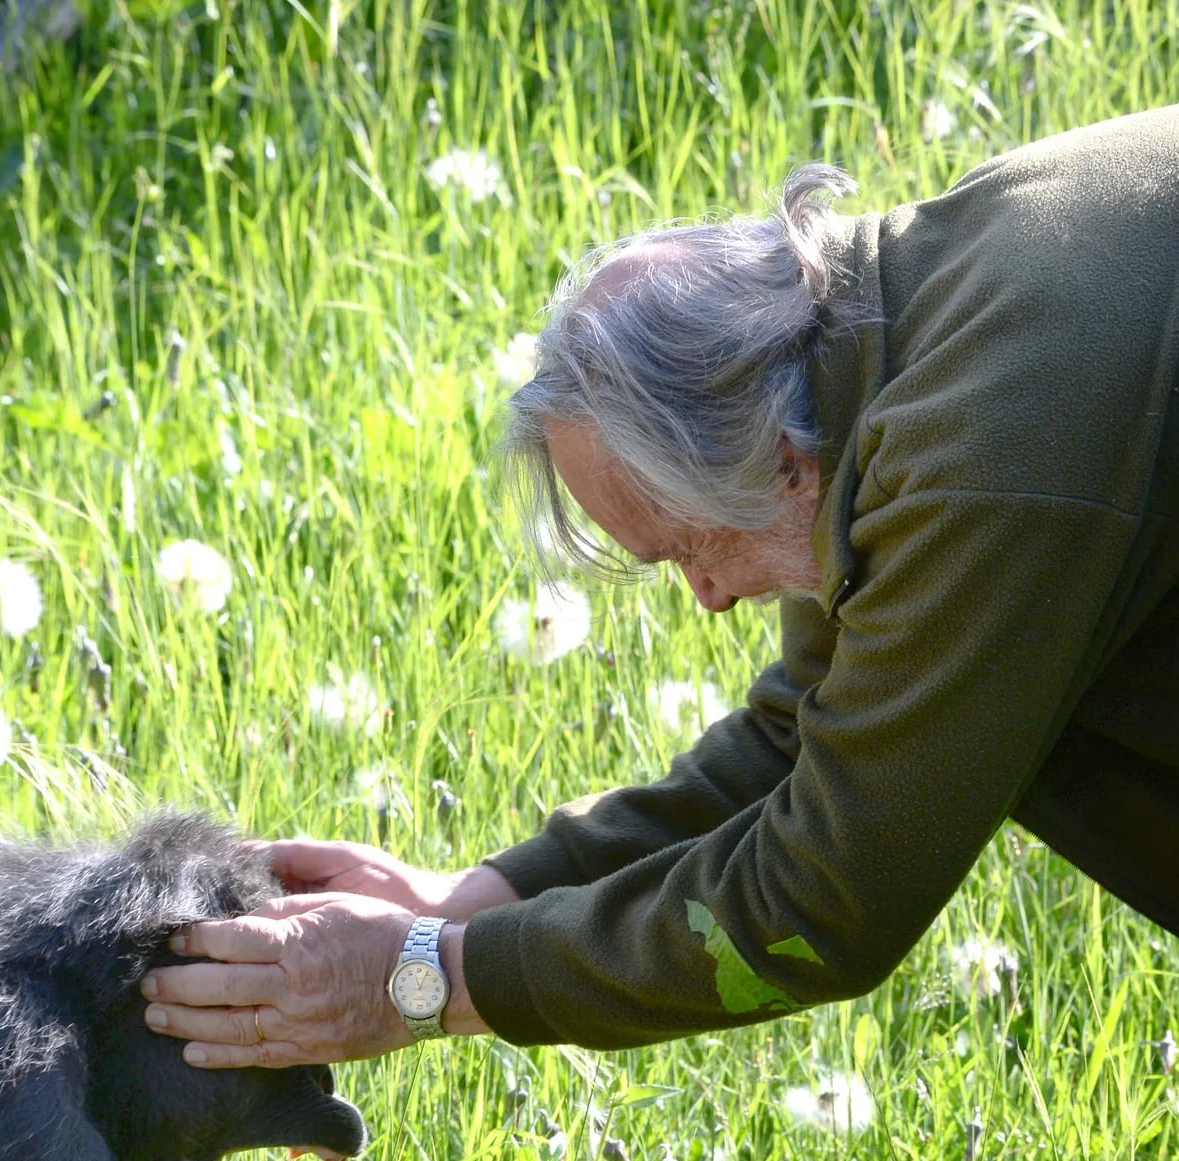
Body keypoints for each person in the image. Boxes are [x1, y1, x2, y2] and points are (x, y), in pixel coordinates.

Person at [139, 106, 1179, 1071]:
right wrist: (474, 897)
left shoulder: (981, 458)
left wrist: (421, 981)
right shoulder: (893, 333)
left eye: (691, 548)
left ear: (780, 460)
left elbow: (820, 901)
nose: (709, 599)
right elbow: (808, 737)